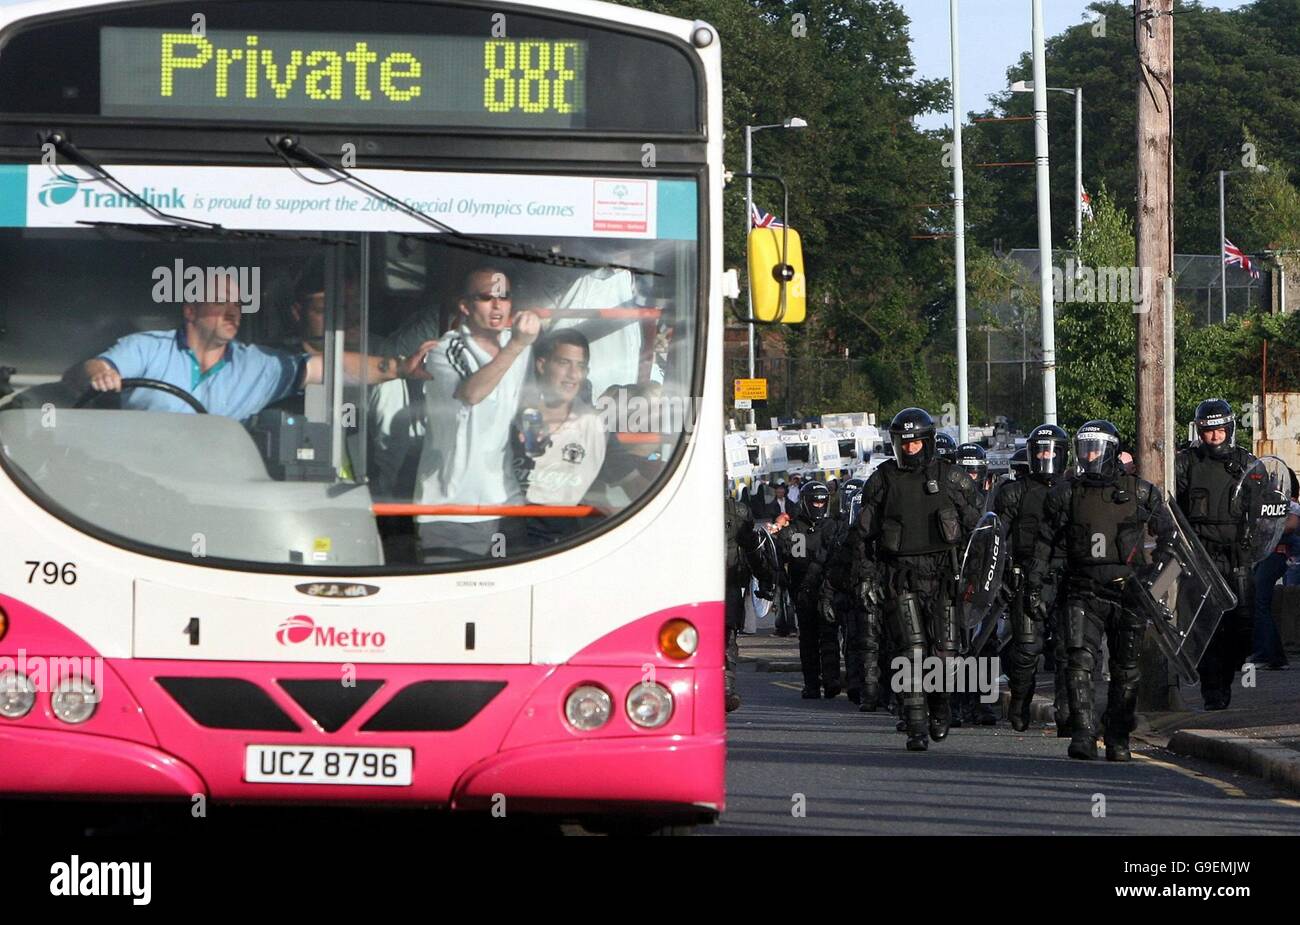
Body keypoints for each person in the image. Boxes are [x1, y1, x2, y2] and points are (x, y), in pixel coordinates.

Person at [1025, 421, 1176, 761]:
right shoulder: (1066, 493)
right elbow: (1045, 544)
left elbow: (1172, 540)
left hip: (1129, 594)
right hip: (1082, 591)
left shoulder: (1140, 492)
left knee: (1126, 668)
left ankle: (1119, 736)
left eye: (1096, 448)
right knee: (1079, 662)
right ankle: (1083, 732)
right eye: (1084, 448)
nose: (1090, 455)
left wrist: (1156, 584)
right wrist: (1037, 585)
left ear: (1110, 451)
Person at [79, 281, 432, 420]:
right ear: (190, 311)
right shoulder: (146, 348)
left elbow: (329, 367)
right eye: (221, 304)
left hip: (217, 490)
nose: (233, 312)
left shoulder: (257, 364)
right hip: (141, 479)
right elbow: (95, 366)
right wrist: (100, 374)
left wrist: (400, 367)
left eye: (238, 305)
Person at [852, 408, 983, 750]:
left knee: (946, 656)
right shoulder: (882, 480)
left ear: (927, 442)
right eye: (903, 443)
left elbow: (978, 529)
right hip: (902, 577)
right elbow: (863, 537)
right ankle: (915, 725)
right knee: (911, 653)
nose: (909, 449)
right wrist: (867, 578)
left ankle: (940, 707)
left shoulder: (952, 478)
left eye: (915, 443)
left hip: (944, 577)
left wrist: (975, 578)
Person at [414, 268, 541, 560]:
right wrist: (518, 345)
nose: (497, 306)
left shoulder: (518, 346)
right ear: (465, 306)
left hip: (506, 502)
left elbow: (527, 405)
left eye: (504, 297)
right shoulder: (444, 349)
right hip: (451, 508)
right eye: (487, 298)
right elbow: (471, 394)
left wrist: (535, 429)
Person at [1173, 399, 1258, 711]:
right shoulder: (1187, 463)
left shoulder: (1245, 462)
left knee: (1244, 626)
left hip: (1238, 555)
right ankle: (1213, 689)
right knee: (1207, 627)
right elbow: (1170, 503)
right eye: (1209, 431)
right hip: (1202, 555)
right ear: (1200, 432)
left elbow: (1264, 505)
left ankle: (1227, 676)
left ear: (1230, 429)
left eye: (1220, 430)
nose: (1214, 436)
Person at [994, 424, 1072, 733]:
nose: (1046, 456)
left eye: (1051, 450)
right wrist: (999, 578)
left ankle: (1067, 711)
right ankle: (1020, 703)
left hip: (1066, 578)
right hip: (1025, 578)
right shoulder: (1014, 492)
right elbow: (997, 538)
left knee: (1070, 648)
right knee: (1026, 650)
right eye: (1040, 450)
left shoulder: (1074, 490)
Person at [515, 329, 606, 545]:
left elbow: (628, 473)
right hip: (509, 528)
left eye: (580, 366)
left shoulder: (594, 425)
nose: (573, 375)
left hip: (562, 538)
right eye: (564, 363)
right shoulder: (510, 415)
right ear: (541, 365)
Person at [776, 481, 845, 698]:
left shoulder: (833, 526)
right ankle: (812, 684)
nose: (818, 505)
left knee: (829, 636)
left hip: (828, 590)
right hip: (804, 592)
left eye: (821, 502)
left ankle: (832, 679)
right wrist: (780, 532)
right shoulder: (795, 529)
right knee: (808, 640)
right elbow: (790, 558)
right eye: (814, 501)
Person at [726, 487, 774, 712]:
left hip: (716, 584)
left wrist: (764, 578)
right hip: (727, 584)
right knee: (726, 640)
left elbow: (753, 548)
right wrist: (765, 578)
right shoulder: (739, 511)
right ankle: (724, 688)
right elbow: (753, 549)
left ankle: (722, 689)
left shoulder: (685, 506)